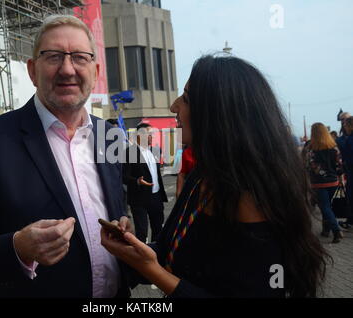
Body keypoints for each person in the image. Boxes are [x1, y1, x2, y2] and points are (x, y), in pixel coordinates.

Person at [101, 55, 330, 297]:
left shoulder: (249, 196)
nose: (174, 106)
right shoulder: (203, 176)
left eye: (187, 99)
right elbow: (175, 250)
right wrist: (130, 250)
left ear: (219, 113)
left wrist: (153, 271)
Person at [0, 14, 130, 298]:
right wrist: (17, 249)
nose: (67, 69)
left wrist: (125, 226)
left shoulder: (109, 135)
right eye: (53, 57)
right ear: (32, 70)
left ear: (96, 70)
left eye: (79, 57)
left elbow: (119, 209)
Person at [122, 123, 168, 243]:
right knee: (142, 232)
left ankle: (156, 255)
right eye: (149, 134)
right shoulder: (130, 152)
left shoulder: (155, 151)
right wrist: (137, 181)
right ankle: (141, 257)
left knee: (158, 229)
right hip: (139, 198)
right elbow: (123, 176)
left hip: (156, 196)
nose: (152, 137)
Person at [305, 123, 344, 243]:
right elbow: (339, 165)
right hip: (333, 182)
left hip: (319, 184)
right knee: (328, 208)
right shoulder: (334, 147)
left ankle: (336, 230)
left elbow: (310, 166)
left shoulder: (311, 149)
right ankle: (326, 230)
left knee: (325, 208)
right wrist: (340, 178)